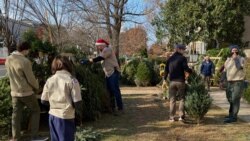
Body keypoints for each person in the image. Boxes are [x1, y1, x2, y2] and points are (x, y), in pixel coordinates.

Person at [5, 41, 48, 141]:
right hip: (26, 92)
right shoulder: (24, 61)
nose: (28, 52)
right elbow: (31, 79)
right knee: (36, 110)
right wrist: (37, 87)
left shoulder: (8, 59)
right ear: (25, 50)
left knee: (16, 114)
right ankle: (34, 136)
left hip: (14, 92)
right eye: (28, 50)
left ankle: (15, 137)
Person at [41, 55, 82, 141]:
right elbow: (77, 102)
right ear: (68, 65)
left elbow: (44, 101)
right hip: (66, 116)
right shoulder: (72, 80)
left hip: (52, 116)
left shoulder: (50, 80)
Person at [80, 39, 124, 115]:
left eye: (98, 46)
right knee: (110, 91)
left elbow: (100, 58)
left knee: (115, 90)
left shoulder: (107, 49)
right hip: (108, 73)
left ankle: (120, 108)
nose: (98, 47)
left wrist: (88, 61)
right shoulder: (103, 50)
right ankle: (112, 108)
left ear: (102, 45)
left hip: (113, 72)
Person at [164, 44, 192, 122]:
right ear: (179, 49)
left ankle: (171, 117)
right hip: (180, 81)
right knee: (182, 99)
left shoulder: (170, 59)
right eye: (183, 49)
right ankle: (181, 116)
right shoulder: (182, 58)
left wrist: (164, 79)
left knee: (172, 99)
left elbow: (166, 70)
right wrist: (191, 71)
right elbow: (186, 68)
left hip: (172, 81)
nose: (184, 51)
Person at [223, 45, 245, 123]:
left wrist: (236, 60)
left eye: (236, 50)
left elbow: (239, 67)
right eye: (233, 50)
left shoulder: (241, 59)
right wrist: (222, 80)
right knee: (230, 98)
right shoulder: (228, 59)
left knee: (235, 99)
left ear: (238, 51)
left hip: (237, 82)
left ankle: (234, 117)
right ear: (230, 51)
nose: (234, 52)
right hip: (229, 82)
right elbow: (225, 70)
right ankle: (231, 114)